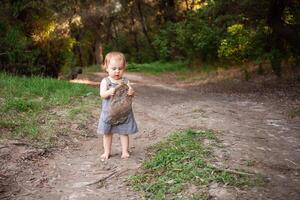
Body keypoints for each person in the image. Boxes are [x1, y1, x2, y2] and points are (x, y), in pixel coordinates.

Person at [97, 51, 138, 161]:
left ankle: (124, 151)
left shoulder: (125, 81)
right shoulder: (105, 81)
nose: (117, 71)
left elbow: (131, 92)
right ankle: (107, 152)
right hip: (109, 113)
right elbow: (102, 95)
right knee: (107, 133)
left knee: (124, 132)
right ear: (106, 68)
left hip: (123, 112)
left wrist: (131, 92)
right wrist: (108, 92)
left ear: (124, 68)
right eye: (114, 68)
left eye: (120, 68)